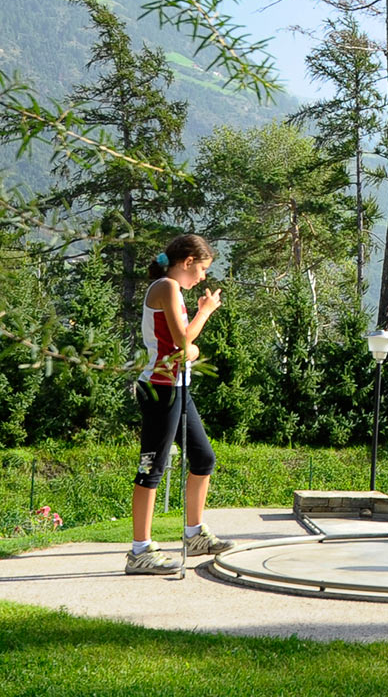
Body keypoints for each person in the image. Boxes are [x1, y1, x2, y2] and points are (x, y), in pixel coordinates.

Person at [126, 234, 233, 575]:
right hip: (160, 389)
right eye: (202, 269)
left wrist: (191, 343)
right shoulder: (167, 287)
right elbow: (183, 342)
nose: (203, 277)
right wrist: (205, 313)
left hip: (177, 387)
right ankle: (139, 551)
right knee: (152, 468)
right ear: (187, 262)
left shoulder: (170, 288)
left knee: (203, 459)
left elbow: (181, 345)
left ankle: (194, 534)